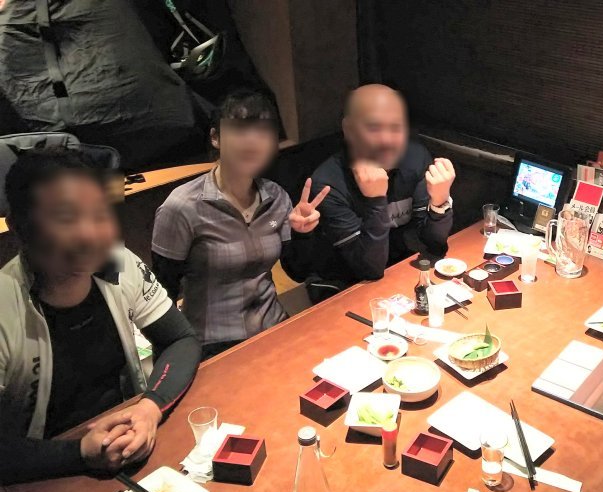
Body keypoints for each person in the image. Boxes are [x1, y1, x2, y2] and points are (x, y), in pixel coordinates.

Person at [0, 148, 201, 484]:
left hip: (126, 445)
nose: (89, 233)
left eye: (98, 213)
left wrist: (150, 407)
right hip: (38, 473)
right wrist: (79, 453)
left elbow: (180, 339)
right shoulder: (5, 304)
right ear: (19, 227)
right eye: (66, 218)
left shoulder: (118, 262)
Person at [151, 90, 328, 358]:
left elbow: (297, 272)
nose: (252, 141)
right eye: (240, 129)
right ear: (215, 137)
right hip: (211, 345)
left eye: (263, 131)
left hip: (274, 327)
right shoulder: (182, 206)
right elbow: (162, 293)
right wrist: (172, 361)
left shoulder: (276, 196)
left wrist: (302, 234)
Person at [309, 84, 455, 285]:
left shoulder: (416, 158)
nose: (386, 140)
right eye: (373, 128)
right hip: (344, 284)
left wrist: (439, 203)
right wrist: (376, 201)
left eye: (396, 127)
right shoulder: (327, 183)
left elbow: (434, 244)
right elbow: (369, 269)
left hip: (399, 270)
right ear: (349, 130)